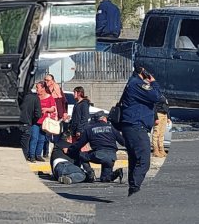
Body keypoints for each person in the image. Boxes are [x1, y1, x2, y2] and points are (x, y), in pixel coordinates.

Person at [119, 63, 166, 197]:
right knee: (144, 160)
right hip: (136, 126)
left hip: (131, 126)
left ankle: (132, 189)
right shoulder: (137, 84)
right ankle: (135, 188)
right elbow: (157, 97)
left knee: (134, 159)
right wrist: (154, 83)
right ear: (143, 71)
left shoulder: (132, 83)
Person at [65, 111, 124, 183]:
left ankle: (90, 173)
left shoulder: (90, 129)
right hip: (111, 157)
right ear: (104, 118)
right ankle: (117, 172)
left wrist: (69, 150)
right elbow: (123, 142)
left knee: (81, 155)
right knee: (105, 179)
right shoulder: (112, 128)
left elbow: (79, 144)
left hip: (99, 155)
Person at [28, 81, 57, 162]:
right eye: (36, 87)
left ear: (43, 88)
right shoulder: (35, 97)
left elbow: (53, 108)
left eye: (38, 87)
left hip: (44, 122)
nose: (36, 89)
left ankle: (38, 155)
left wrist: (46, 109)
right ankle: (32, 155)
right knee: (34, 137)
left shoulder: (50, 97)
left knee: (42, 139)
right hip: (35, 121)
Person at [43, 74, 68, 157]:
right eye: (45, 80)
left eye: (48, 80)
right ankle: (46, 152)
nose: (46, 82)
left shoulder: (57, 89)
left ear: (52, 81)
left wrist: (64, 112)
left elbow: (64, 102)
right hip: (48, 115)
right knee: (47, 133)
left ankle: (57, 151)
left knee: (57, 133)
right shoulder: (45, 90)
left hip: (58, 115)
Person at [19, 87, 42, 161]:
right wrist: (32, 120)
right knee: (25, 144)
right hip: (27, 123)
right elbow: (38, 114)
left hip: (15, 123)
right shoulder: (35, 98)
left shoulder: (18, 97)